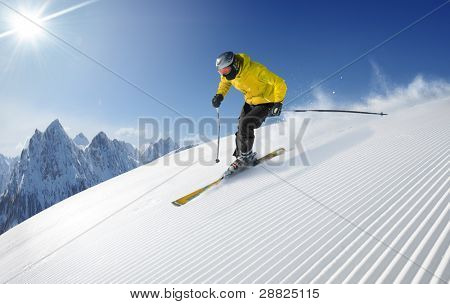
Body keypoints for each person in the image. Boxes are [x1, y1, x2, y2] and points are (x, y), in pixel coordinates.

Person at [212, 51, 287, 173]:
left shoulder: (256, 70)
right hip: (250, 102)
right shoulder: (229, 75)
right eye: (220, 72)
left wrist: (278, 102)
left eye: (225, 71)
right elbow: (224, 83)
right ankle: (241, 156)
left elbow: (280, 83)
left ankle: (246, 157)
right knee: (241, 125)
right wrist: (219, 95)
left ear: (234, 64)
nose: (223, 74)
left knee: (246, 124)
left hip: (266, 102)